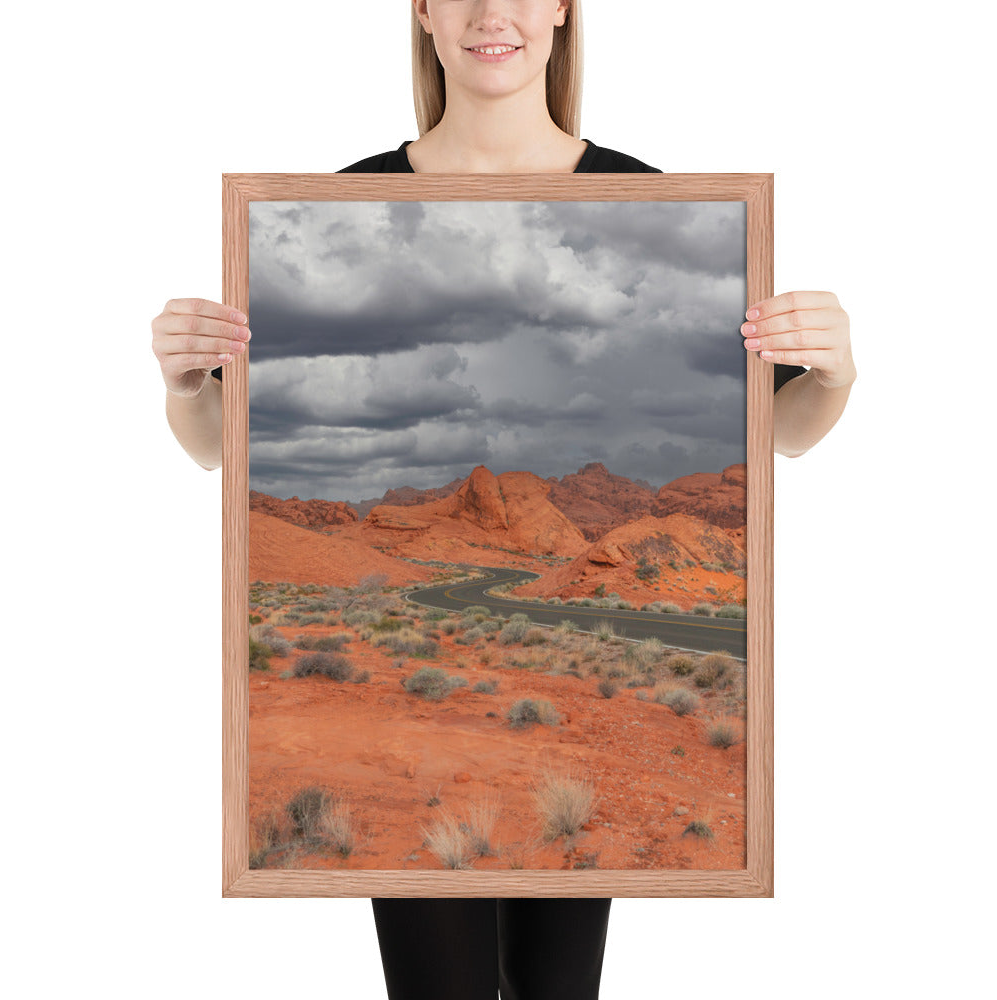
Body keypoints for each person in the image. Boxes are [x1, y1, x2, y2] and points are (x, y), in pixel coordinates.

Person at [151, 2, 856, 998]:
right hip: (423, 752)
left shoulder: (650, 201)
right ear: (424, 13)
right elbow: (216, 450)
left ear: (564, 9)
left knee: (557, 990)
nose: (495, 13)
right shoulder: (337, 204)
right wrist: (186, 386)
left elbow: (772, 433)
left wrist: (834, 373)